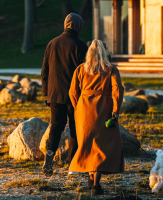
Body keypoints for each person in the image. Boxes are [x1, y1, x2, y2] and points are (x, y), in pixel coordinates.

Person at [68, 40, 124, 196]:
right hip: (104, 110)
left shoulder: (81, 69)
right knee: (101, 146)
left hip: (84, 109)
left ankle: (91, 178)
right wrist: (115, 111)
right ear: (105, 53)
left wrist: (78, 107)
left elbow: (72, 92)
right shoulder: (111, 70)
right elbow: (117, 91)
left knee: (87, 144)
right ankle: (95, 184)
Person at [41, 13, 88, 177]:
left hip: (54, 94)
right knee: (75, 129)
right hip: (74, 96)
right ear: (78, 26)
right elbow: (85, 75)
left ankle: (49, 155)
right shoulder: (81, 46)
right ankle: (72, 165)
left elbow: (44, 72)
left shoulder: (52, 43)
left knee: (56, 126)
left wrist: (46, 94)